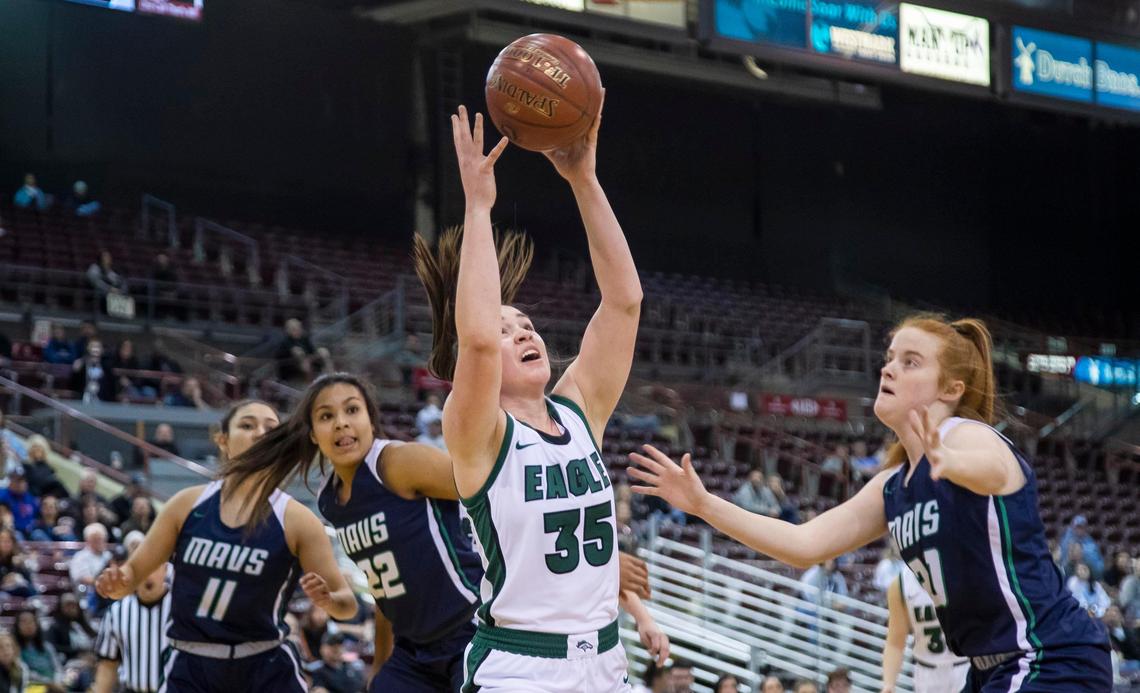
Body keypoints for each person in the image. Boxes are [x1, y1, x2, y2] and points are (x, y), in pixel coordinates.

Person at [629, 314, 1112, 691]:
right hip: (989, 668)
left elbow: (993, 471)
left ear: (951, 389)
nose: (888, 368)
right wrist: (704, 504)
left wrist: (951, 463)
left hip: (1049, 654)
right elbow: (803, 544)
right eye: (889, 357)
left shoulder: (965, 435)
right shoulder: (893, 486)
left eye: (910, 361)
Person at [417, 101, 665, 692]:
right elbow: (477, 341)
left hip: (606, 662)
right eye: (507, 330)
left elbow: (625, 302)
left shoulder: (579, 409)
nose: (524, 333)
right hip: (521, 668)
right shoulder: (477, 432)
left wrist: (584, 180)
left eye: (526, 324)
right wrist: (479, 207)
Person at [238, 373, 656, 691]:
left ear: (371, 419)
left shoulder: (397, 464)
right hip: (412, 648)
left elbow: (501, 487)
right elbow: (385, 588)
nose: (342, 424)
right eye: (327, 417)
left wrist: (592, 557)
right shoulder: (331, 501)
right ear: (313, 434)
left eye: (352, 410)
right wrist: (382, 663)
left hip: (470, 631)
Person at [95, 399, 357, 693]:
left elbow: (347, 604)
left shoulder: (298, 520)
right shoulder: (185, 504)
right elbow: (131, 576)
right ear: (222, 440)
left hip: (265, 665)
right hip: (191, 666)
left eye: (270, 428)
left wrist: (329, 601)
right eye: (247, 425)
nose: (260, 433)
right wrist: (115, 584)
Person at [881, 569, 968, 693]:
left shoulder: (962, 568)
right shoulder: (901, 583)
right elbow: (895, 643)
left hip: (966, 666)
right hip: (927, 673)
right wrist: (889, 684)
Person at [93, 561, 171, 693]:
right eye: (143, 567)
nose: (148, 574)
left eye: (155, 567)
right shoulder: (116, 612)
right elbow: (107, 665)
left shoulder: (180, 610)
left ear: (166, 569)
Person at [47, 592, 97, 662]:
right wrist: (78, 652)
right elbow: (53, 648)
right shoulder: (55, 627)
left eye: (74, 604)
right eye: (68, 604)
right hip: (71, 662)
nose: (72, 608)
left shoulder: (83, 624)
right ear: (60, 607)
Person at [14, 610, 60, 686]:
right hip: (32, 686)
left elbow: (58, 669)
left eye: (31, 621)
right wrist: (48, 683)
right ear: (17, 626)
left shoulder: (47, 646)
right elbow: (23, 672)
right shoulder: (14, 648)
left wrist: (57, 682)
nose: (28, 625)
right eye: (24, 622)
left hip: (54, 684)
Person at [21, 435, 70, 499]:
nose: (37, 449)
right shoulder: (26, 466)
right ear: (30, 449)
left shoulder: (49, 468)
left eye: (39, 447)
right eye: (34, 447)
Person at [1059, 515, 1105, 579]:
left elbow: (1098, 565)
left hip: (1089, 575)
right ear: (1073, 527)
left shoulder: (1090, 541)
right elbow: (1062, 562)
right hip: (1069, 575)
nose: (1080, 530)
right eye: (1078, 527)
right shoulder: (1066, 540)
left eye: (1082, 527)